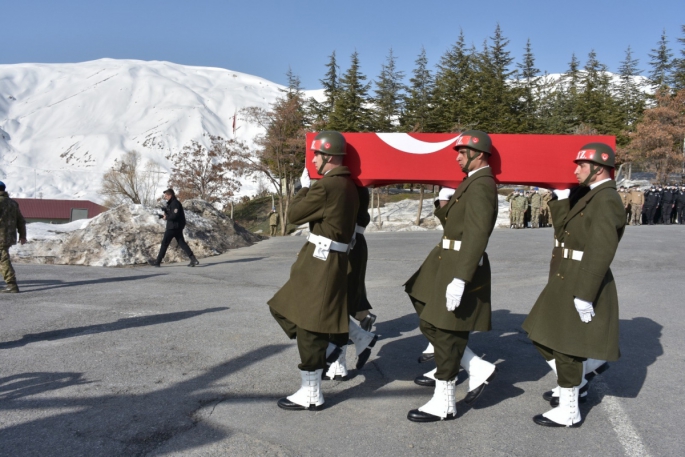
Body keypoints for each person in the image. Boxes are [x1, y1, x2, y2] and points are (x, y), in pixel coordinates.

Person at [523, 143, 625, 427]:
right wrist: (561, 197)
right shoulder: (591, 196)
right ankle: (583, 373)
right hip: (566, 274)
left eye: (580, 165)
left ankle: (569, 409)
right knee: (539, 333)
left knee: (565, 346)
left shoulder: (606, 199)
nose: (575, 170)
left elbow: (602, 249)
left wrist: (585, 293)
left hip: (581, 278)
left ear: (598, 168)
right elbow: (565, 231)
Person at [404, 130, 498, 422]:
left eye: (462, 152)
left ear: (478, 154)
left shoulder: (482, 185)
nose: (457, 156)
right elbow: (452, 225)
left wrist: (461, 278)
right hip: (444, 259)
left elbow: (476, 234)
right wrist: (445, 199)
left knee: (446, 330)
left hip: (459, 263)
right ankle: (475, 365)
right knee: (421, 302)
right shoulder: (470, 183)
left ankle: (444, 403)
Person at [268, 131, 362, 411]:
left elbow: (294, 216)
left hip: (321, 262)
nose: (314, 160)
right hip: (325, 259)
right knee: (283, 308)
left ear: (330, 156)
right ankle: (331, 346)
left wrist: (305, 188)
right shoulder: (348, 185)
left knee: (309, 326)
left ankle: (311, 391)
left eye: (317, 155)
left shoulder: (327, 186)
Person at [324, 185, 378, 381]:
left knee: (336, 303)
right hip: (348, 242)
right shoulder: (352, 183)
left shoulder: (349, 185)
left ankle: (339, 361)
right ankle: (359, 334)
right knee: (338, 302)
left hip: (347, 243)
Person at [148, 189, 199, 267]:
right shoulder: (172, 203)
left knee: (164, 243)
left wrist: (166, 217)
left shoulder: (175, 203)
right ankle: (193, 259)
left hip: (173, 227)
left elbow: (174, 215)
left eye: (166, 196)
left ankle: (157, 262)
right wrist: (165, 212)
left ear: (170, 195)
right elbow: (172, 213)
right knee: (182, 243)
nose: (165, 197)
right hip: (176, 227)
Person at [0, 181, 27, 293]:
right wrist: (22, 235)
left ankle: (11, 284)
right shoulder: (13, 203)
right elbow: (21, 221)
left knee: (3, 259)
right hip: (9, 236)